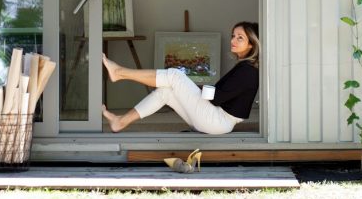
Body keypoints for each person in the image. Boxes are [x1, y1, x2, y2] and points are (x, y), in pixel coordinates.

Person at [101, 21, 260, 135]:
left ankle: (120, 73)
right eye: (233, 35)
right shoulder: (245, 67)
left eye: (240, 38)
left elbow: (217, 98)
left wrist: (194, 88)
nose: (233, 40)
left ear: (251, 44)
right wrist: (194, 89)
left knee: (175, 75)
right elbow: (221, 95)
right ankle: (120, 122)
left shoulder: (247, 70)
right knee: (166, 92)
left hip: (218, 121)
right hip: (216, 120)